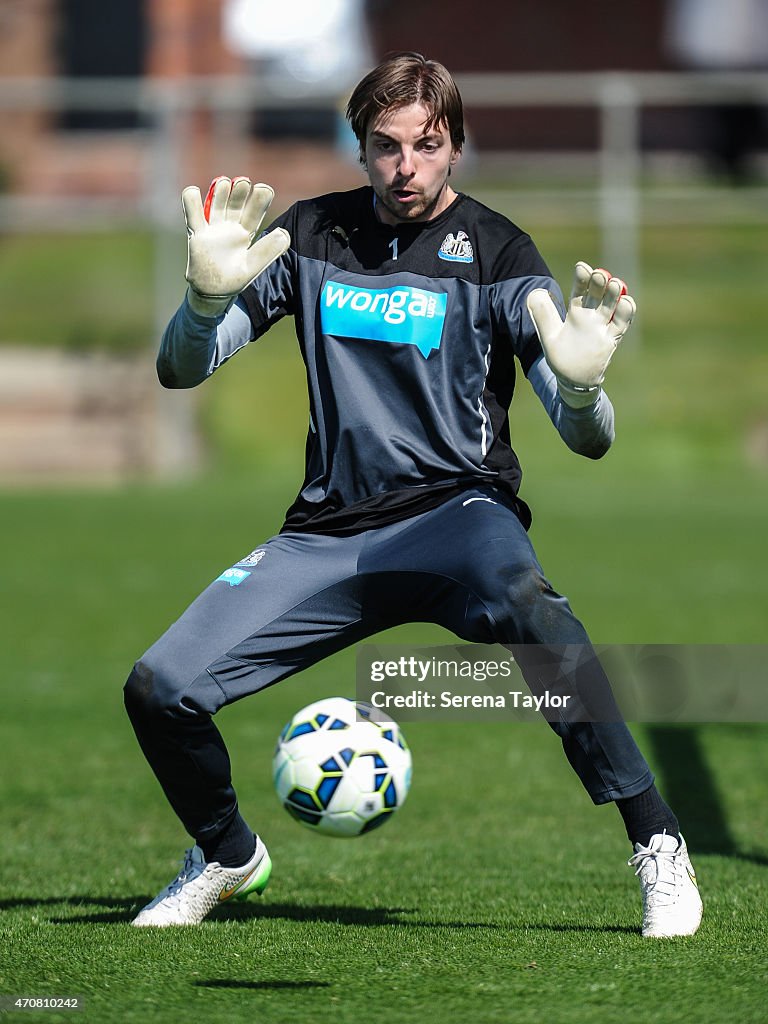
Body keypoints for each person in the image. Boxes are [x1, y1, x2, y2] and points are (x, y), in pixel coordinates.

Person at [125, 52, 703, 937]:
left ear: (456, 149)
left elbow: (587, 440)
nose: (406, 167)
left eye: (427, 146)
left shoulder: (501, 252)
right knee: (159, 686)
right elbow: (180, 371)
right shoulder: (311, 235)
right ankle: (226, 855)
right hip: (328, 534)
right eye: (386, 145)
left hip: (457, 516)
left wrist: (582, 391)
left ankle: (657, 843)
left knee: (531, 602)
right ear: (358, 147)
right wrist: (202, 306)